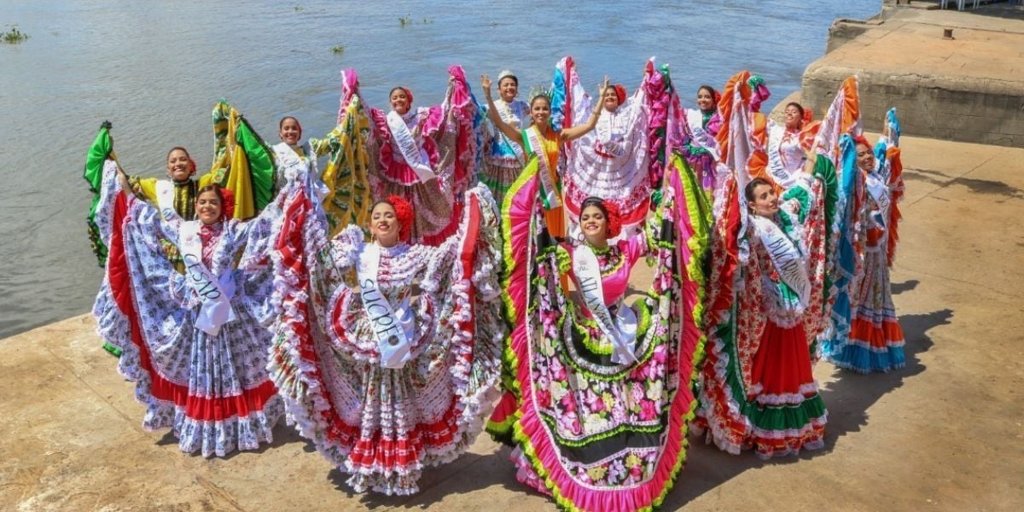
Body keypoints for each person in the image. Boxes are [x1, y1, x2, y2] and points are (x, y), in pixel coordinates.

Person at [486, 153, 711, 510]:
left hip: (622, 327)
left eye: (597, 217)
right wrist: (536, 197)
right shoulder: (572, 254)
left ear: (609, 223)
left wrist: (670, 188)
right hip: (585, 330)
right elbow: (542, 265)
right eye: (586, 217)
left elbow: (662, 234)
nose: (591, 221)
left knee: (629, 392)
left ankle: (633, 455)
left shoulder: (626, 250)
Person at [268, 179, 505, 495]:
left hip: (404, 338)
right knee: (371, 403)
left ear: (400, 221)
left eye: (389, 215)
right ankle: (373, 462)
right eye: (377, 216)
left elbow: (449, 259)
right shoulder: (361, 252)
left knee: (401, 403)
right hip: (369, 338)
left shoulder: (416, 254)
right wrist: (308, 215)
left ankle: (401, 465)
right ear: (370, 225)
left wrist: (472, 214)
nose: (382, 220)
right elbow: (324, 263)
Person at [92, 160, 290, 457]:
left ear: (222, 207)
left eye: (213, 202)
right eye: (203, 202)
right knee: (204, 371)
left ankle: (239, 426)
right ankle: (207, 426)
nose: (208, 206)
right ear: (196, 206)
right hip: (200, 313)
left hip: (229, 314)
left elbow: (266, 224)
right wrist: (124, 189)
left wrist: (290, 194)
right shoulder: (184, 231)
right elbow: (148, 220)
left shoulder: (233, 231)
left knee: (237, 368)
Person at [695, 150, 835, 459]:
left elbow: (804, 192)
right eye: (763, 196)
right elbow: (730, 236)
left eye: (772, 193)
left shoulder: (786, 216)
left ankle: (787, 423)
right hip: (768, 308)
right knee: (765, 368)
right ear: (752, 205)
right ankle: (757, 424)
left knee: (791, 369)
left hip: (791, 303)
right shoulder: (754, 229)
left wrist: (815, 154)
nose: (772, 199)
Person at [345, 66, 478, 245]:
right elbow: (366, 116)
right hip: (397, 175)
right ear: (390, 102)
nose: (398, 99)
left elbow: (445, 111)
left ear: (409, 101)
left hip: (420, 173)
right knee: (396, 210)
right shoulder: (386, 121)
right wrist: (356, 92)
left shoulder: (421, 116)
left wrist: (452, 88)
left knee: (425, 209)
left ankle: (424, 245)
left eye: (402, 96)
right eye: (394, 97)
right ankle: (399, 243)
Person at [480, 66, 604, 244]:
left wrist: (601, 99)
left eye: (545, 109)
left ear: (550, 112)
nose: (541, 112)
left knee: (556, 239)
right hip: (533, 192)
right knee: (535, 238)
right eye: (537, 109)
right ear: (531, 112)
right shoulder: (524, 136)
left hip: (552, 190)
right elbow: (499, 123)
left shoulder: (559, 135)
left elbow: (589, 125)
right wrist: (488, 96)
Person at [824, 109, 905, 372]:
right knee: (857, 295)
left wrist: (888, 132)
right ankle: (849, 343)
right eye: (861, 155)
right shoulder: (854, 183)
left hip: (877, 251)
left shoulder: (876, 176)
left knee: (876, 295)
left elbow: (886, 152)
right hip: (862, 251)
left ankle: (870, 341)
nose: (868, 157)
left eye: (868, 153)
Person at [562, 58, 672, 235]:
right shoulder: (594, 114)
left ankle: (622, 234)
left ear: (619, 99)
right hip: (597, 168)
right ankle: (587, 231)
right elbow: (580, 112)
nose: (610, 97)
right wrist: (572, 76)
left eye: (613, 95)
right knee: (594, 197)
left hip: (621, 170)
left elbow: (639, 107)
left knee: (620, 198)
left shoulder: (626, 115)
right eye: (606, 95)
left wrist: (646, 78)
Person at [479, 69, 531, 205]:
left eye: (512, 84)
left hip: (520, 157)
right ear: (499, 89)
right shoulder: (490, 106)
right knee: (500, 197)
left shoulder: (523, 106)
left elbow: (540, 114)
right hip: (500, 158)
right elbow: (473, 114)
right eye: (506, 85)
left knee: (518, 195)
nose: (509, 87)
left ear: (517, 88)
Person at [767, 101, 818, 189]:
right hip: (772, 178)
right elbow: (755, 120)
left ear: (801, 117)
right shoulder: (776, 130)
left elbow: (812, 157)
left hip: (791, 181)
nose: (789, 114)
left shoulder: (802, 137)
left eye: (794, 112)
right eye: (787, 112)